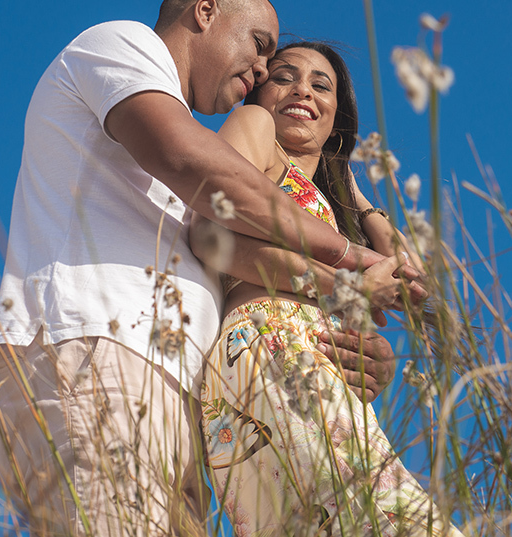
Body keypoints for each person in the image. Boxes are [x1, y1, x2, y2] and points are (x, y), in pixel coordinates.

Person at [0, 0, 426, 537]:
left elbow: (221, 236)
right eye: (261, 48)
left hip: (182, 397)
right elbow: (195, 166)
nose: (263, 73)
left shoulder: (195, 144)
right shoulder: (122, 44)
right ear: (206, 14)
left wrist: (354, 339)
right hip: (97, 352)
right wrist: (349, 262)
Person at [192, 42, 462, 537]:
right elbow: (211, 235)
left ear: (337, 118)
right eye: (283, 77)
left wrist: (352, 190)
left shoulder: (325, 205)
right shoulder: (256, 130)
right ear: (258, 92)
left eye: (322, 86)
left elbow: (414, 275)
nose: (302, 91)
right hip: (271, 343)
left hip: (299, 365)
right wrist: (344, 292)